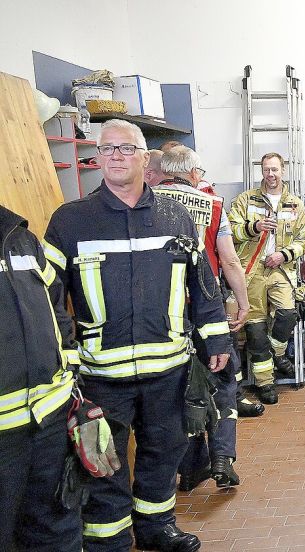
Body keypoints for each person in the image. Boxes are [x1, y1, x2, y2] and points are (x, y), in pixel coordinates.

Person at [44, 118, 232, 552]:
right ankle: (108, 540)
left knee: (164, 452)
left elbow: (201, 283)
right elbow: (48, 297)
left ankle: (156, 527)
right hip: (97, 376)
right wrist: (66, 355)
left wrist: (216, 339)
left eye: (125, 148)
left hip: (168, 369)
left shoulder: (175, 216)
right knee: (102, 461)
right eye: (106, 149)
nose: (114, 156)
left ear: (146, 159)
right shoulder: (71, 222)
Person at [154, 146, 254, 491]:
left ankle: (193, 465)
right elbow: (228, 261)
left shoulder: (144, 201)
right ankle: (223, 458)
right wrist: (242, 302)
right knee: (224, 380)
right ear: (194, 172)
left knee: (179, 389)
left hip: (163, 313)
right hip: (206, 308)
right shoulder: (212, 205)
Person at [0, 205, 84, 551]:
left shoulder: (20, 238)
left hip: (48, 420)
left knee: (56, 527)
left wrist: (69, 363)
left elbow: (56, 307)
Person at [228, 152, 305, 405]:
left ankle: (277, 351)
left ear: (283, 171)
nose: (271, 174)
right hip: (251, 272)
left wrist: (283, 255)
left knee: (287, 313)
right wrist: (253, 228)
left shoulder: (294, 204)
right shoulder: (245, 200)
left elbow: (303, 240)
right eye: (266, 169)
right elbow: (230, 232)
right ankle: (265, 383)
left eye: (275, 169)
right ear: (262, 171)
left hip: (281, 269)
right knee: (255, 330)